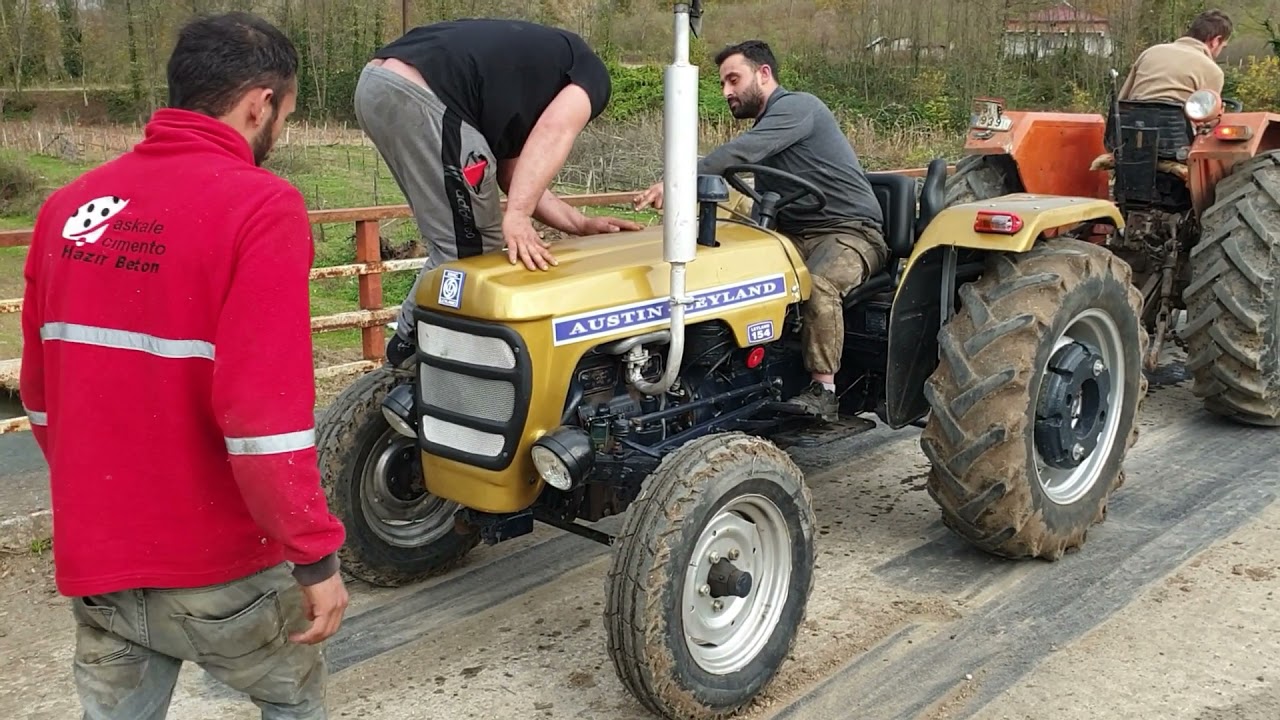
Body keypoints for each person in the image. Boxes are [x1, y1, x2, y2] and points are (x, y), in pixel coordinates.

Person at [19, 11, 348, 719]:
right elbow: (263, 417)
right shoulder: (261, 205)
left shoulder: (69, 207)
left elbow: (40, 396)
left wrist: (106, 501)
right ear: (260, 103)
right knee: (292, 698)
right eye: (284, 113)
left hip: (99, 562)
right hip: (219, 568)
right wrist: (314, 555)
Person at [355, 18, 645, 366]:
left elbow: (514, 175)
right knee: (471, 249)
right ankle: (409, 353)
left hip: (376, 84)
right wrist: (518, 215)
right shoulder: (592, 76)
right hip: (424, 93)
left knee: (455, 238)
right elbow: (554, 131)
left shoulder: (516, 89)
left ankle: (423, 348)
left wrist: (579, 223)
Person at [634, 40, 886, 422]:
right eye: (722, 84)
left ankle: (825, 390)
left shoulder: (799, 108)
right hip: (794, 233)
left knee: (818, 283)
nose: (726, 92)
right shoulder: (769, 127)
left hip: (851, 232)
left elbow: (737, 153)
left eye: (733, 80)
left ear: (764, 74)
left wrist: (676, 181)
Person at [1118, 10, 1232, 103]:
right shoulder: (1212, 71)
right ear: (1216, 41)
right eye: (1223, 46)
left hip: (1133, 126)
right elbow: (1207, 118)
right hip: (1178, 129)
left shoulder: (1150, 52)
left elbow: (1122, 99)